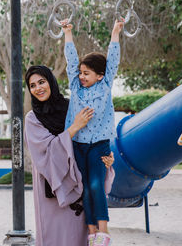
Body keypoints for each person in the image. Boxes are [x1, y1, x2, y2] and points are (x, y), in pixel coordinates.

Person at [24, 65, 115, 246]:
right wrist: (74, 128)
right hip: (54, 191)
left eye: (41, 82)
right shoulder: (32, 118)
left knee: (82, 238)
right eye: (32, 85)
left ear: (51, 82)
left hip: (81, 185)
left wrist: (106, 160)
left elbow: (94, 139)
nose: (38, 88)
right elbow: (45, 153)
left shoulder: (73, 107)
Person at [62, 19, 124, 246]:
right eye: (80, 72)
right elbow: (70, 61)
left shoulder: (105, 84)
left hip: (99, 143)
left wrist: (115, 32)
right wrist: (68, 33)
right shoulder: (76, 87)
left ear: (99, 75)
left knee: (96, 184)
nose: (81, 76)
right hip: (78, 143)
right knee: (84, 186)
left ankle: (103, 231)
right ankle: (91, 232)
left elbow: (113, 60)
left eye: (86, 73)